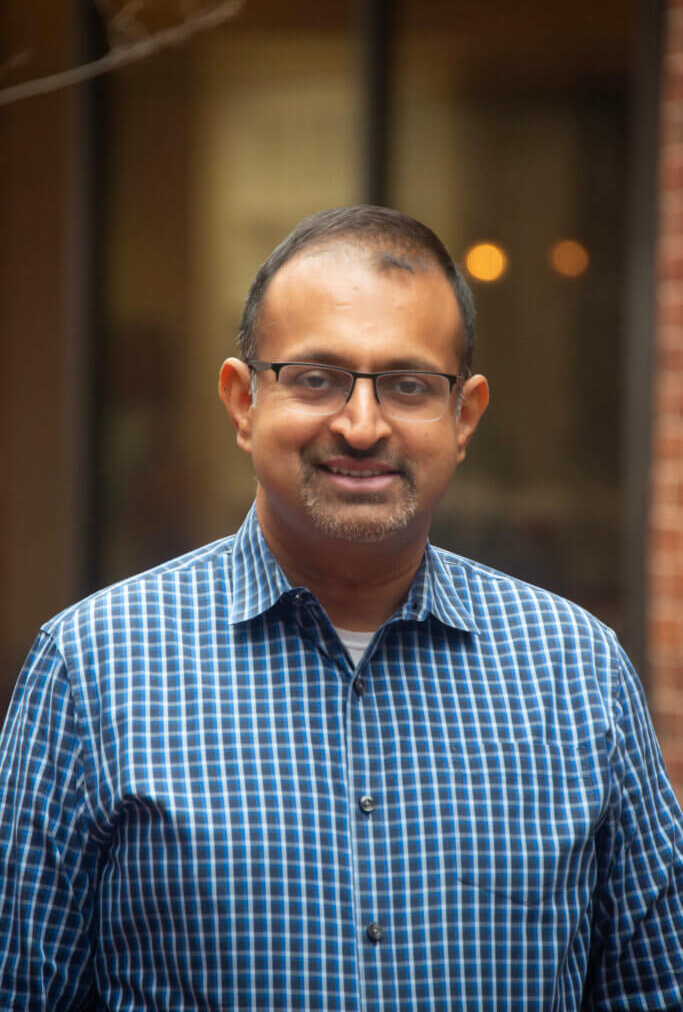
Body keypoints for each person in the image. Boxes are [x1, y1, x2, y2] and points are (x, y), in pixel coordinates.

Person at [1, 205, 682, 1011]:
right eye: (316, 378)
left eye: (407, 385)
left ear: (462, 416)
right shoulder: (92, 667)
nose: (361, 426)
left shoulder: (577, 673)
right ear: (242, 400)